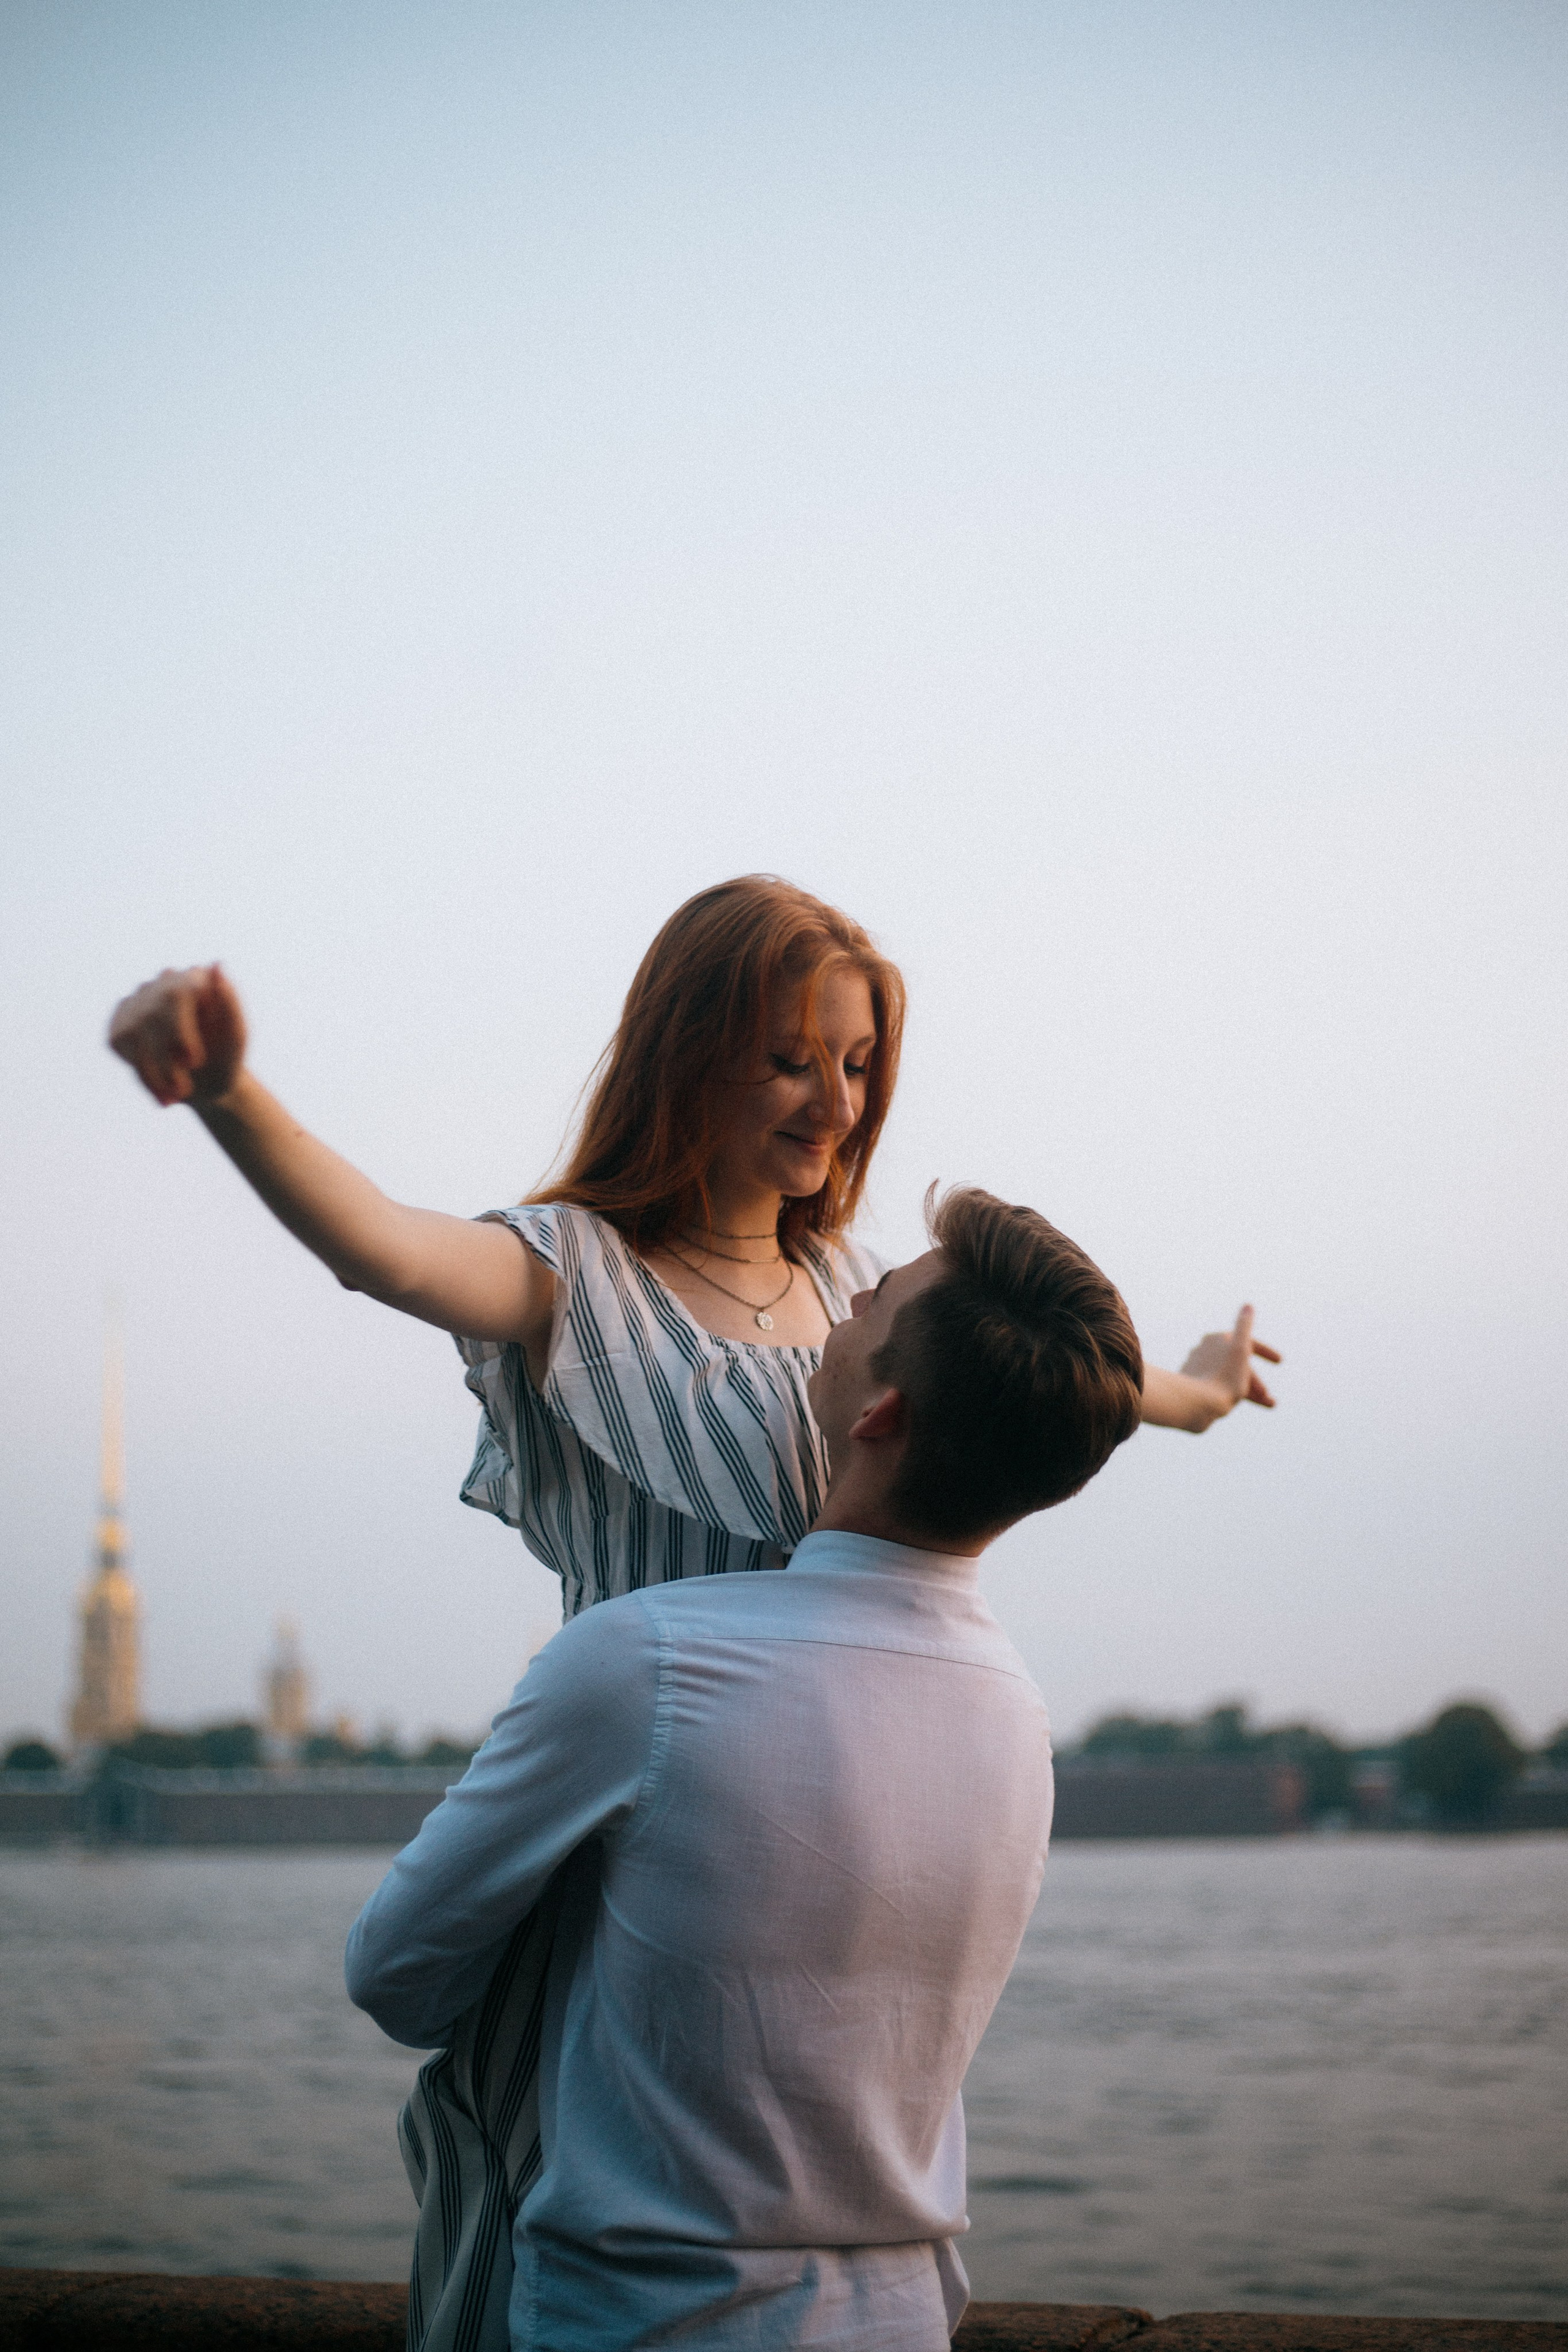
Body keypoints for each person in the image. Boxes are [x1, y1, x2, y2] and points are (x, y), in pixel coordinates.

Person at [106, 875, 1280, 2348]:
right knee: (532, 2215)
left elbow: (1072, 1384)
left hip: (802, 1884)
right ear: (685, 1050)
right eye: (792, 1057)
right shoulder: (572, 1272)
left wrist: (1200, 1391)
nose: (835, 1103)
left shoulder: (862, 1291)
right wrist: (226, 1093)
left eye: (857, 1063)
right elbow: (378, 1248)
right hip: (609, 1851)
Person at [345, 1185, 1144, 2352]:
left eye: (871, 1303)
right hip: (903, 2322)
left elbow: (395, 1976)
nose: (842, 1295)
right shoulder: (1019, 1718)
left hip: (651, 2324)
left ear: (877, 1413)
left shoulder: (645, 1659)